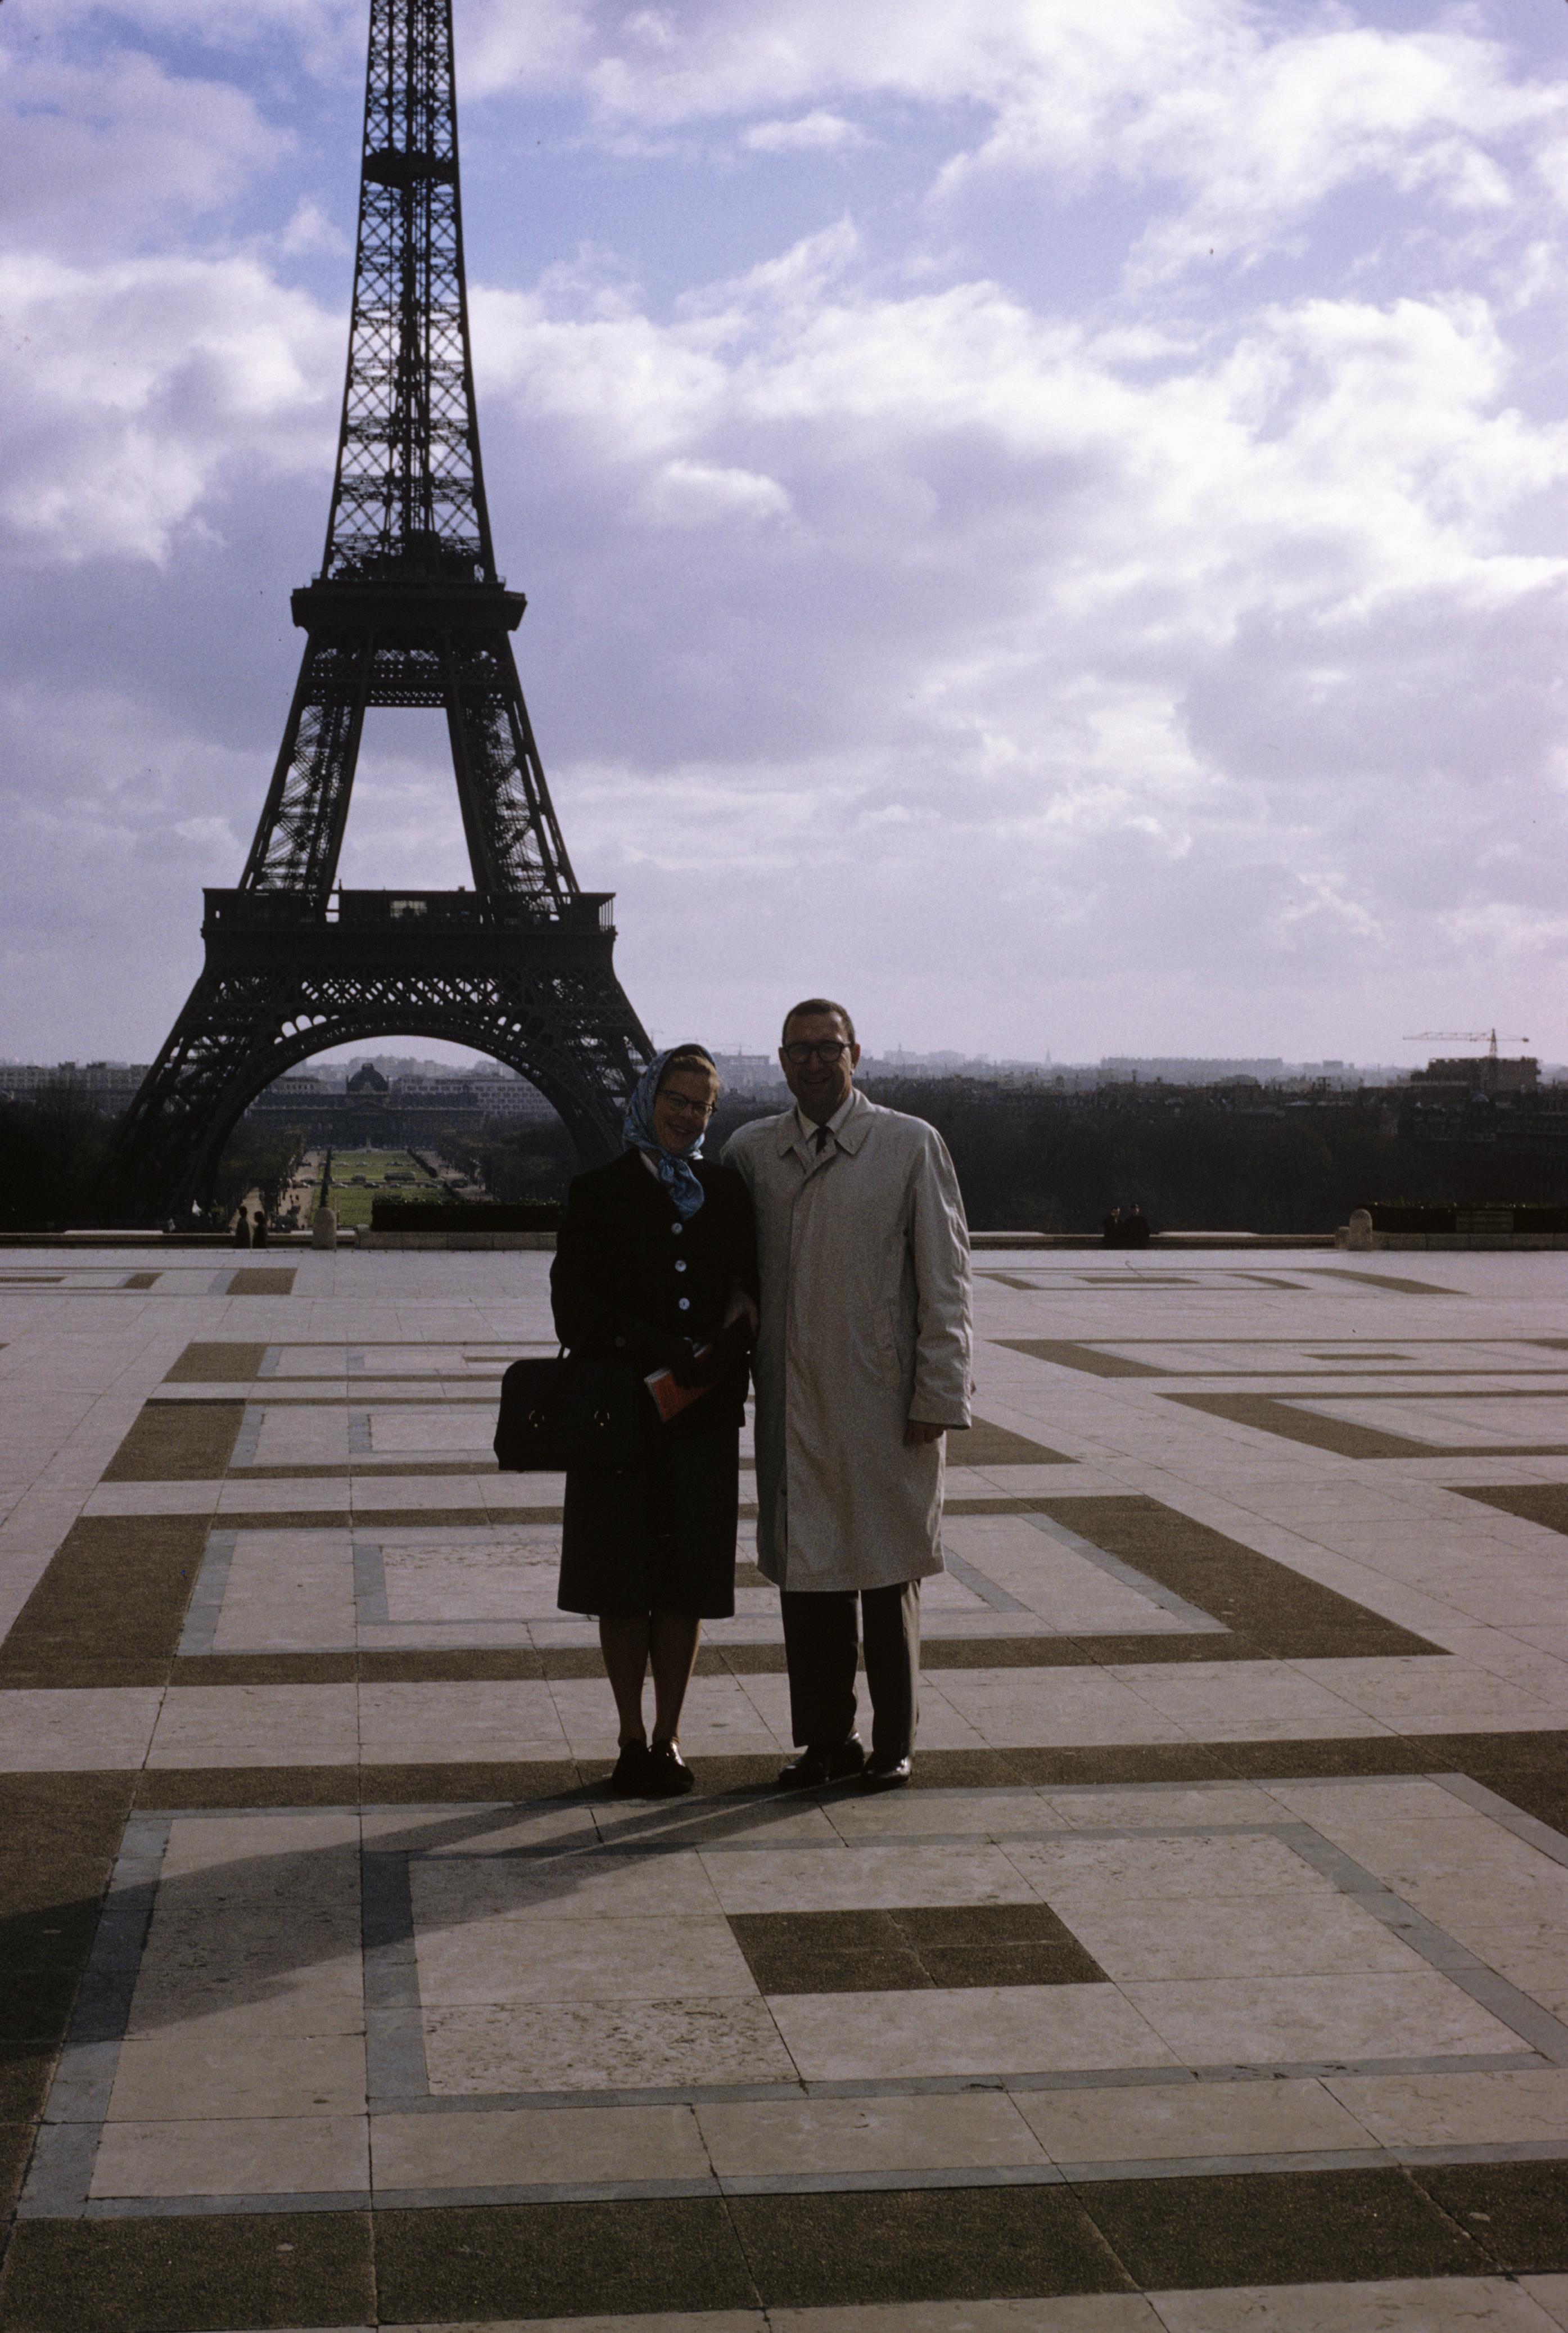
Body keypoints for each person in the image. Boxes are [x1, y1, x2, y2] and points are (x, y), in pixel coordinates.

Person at [724, 999, 972, 1790]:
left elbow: (945, 1283)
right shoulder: (750, 1152)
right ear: (780, 1059)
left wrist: (938, 1390)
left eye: (826, 1047)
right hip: (793, 1394)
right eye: (798, 1050)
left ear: (854, 1053)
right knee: (810, 1573)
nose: (813, 1062)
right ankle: (826, 1737)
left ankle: (893, 1739)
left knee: (887, 1572)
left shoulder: (909, 1144)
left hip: (882, 1396)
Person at [550, 1046, 757, 1797]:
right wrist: (657, 1347)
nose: (685, 1115)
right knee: (622, 1584)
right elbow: (571, 1309)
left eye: (700, 1105)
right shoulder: (597, 1192)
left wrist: (721, 1347)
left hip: (699, 1416)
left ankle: (668, 1735)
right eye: (675, 1098)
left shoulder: (727, 1192)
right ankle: (630, 1735)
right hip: (620, 1416)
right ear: (648, 1097)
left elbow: (751, 1290)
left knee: (684, 1584)